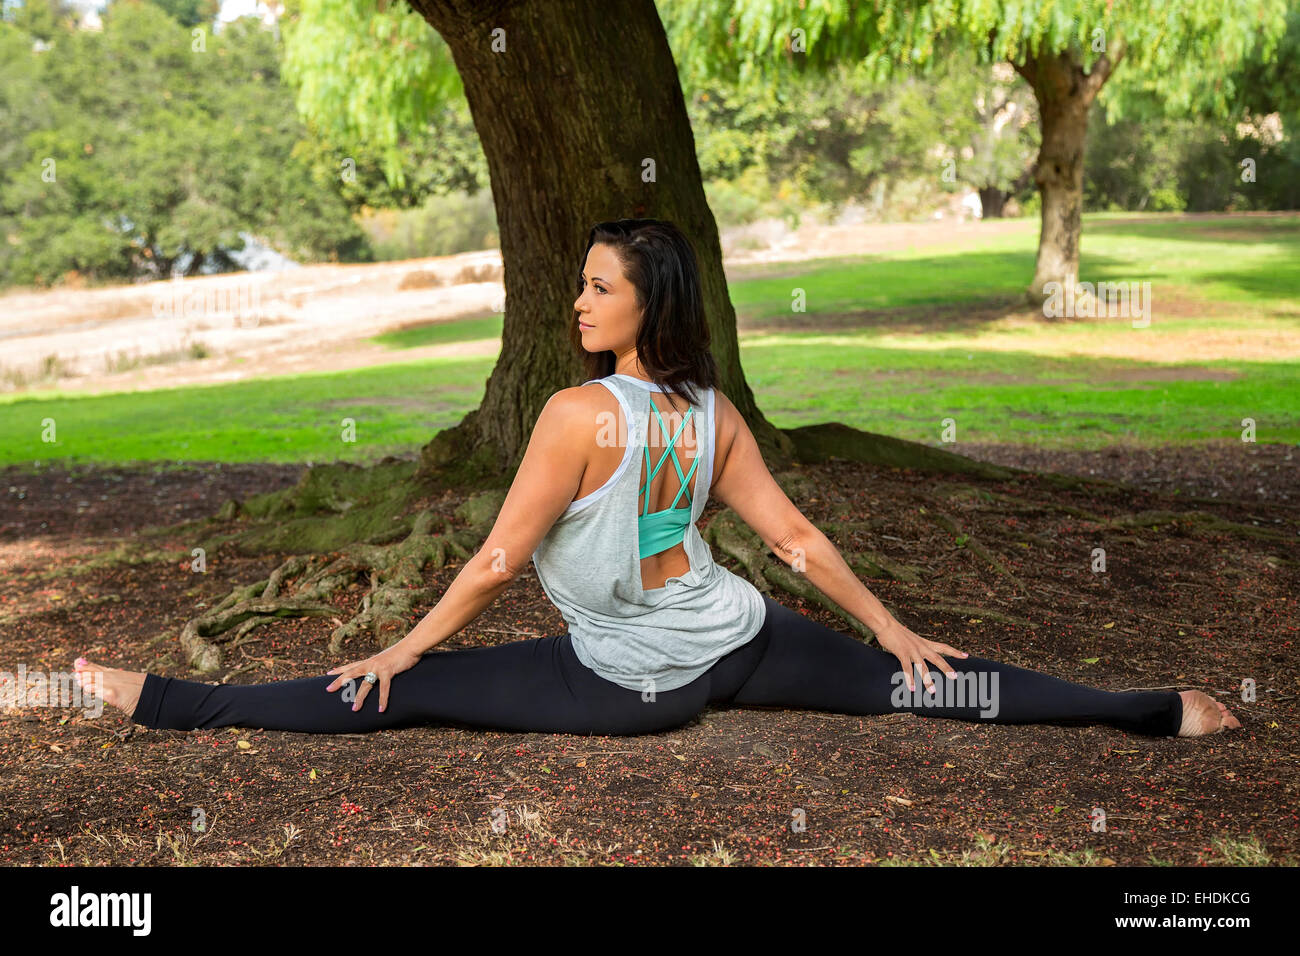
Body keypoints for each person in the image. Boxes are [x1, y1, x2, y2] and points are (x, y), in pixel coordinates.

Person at [74, 219, 1240, 739]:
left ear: (645, 305)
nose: (577, 300)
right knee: (936, 686)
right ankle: (1162, 708)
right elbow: (792, 540)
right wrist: (891, 631)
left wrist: (400, 649)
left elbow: (493, 558)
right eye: (577, 282)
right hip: (739, 639)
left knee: (398, 693)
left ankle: (165, 700)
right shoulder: (711, 408)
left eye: (597, 287)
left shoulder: (575, 412)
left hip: (629, 684)